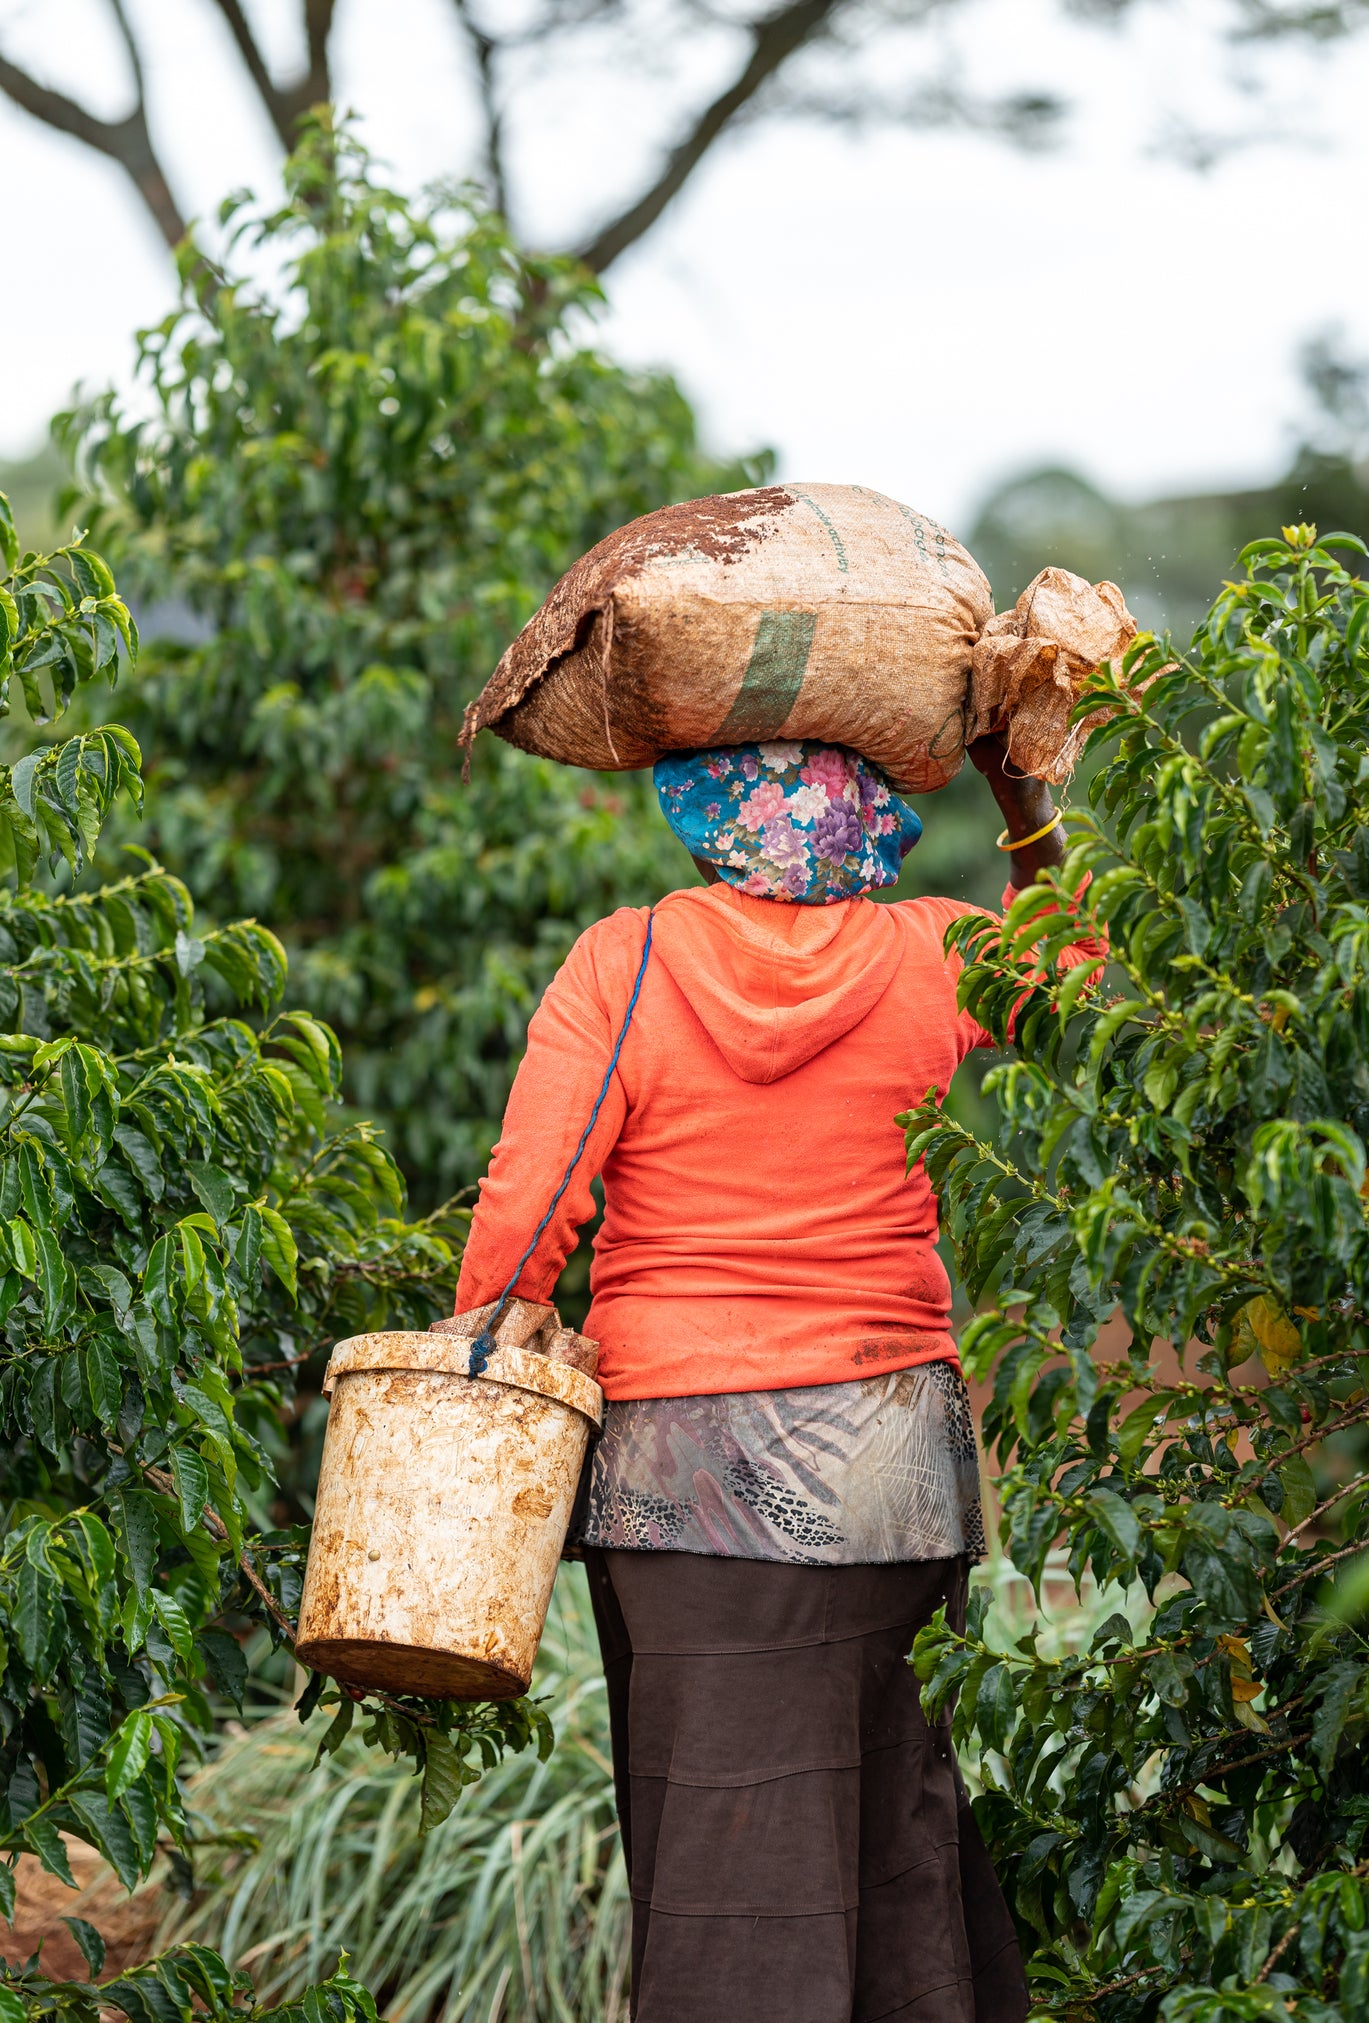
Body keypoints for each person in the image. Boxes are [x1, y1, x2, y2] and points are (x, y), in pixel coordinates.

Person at [452, 731, 1106, 2023]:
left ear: (700, 818)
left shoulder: (628, 957)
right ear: (869, 820)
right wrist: (1019, 798)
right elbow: (1084, 988)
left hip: (681, 1471)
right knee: (889, 1819)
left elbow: (531, 1212)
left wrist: (482, 1345)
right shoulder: (930, 951)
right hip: (888, 1460)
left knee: (722, 1840)